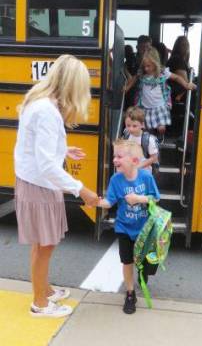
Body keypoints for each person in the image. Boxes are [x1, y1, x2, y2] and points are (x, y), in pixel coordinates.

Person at [14, 54, 99, 318]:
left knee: (41, 244)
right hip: (39, 184)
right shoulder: (47, 112)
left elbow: (38, 147)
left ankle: (45, 290)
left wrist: (63, 148)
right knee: (45, 245)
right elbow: (47, 166)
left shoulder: (38, 101)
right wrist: (81, 189)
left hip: (32, 181)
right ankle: (40, 303)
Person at [97, 139, 160, 314]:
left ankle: (143, 273)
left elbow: (155, 198)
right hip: (124, 227)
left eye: (119, 156)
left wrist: (139, 199)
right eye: (114, 156)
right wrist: (96, 201)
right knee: (127, 261)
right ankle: (130, 294)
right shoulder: (115, 180)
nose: (114, 160)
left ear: (134, 161)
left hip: (144, 228)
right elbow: (110, 202)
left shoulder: (146, 177)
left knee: (145, 262)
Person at [125, 48, 196, 141]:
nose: (146, 68)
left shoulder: (162, 73)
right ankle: (149, 144)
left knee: (161, 128)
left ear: (155, 63)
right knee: (146, 130)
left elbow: (176, 77)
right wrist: (126, 88)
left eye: (148, 66)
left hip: (159, 106)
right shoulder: (142, 73)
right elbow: (134, 79)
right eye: (144, 66)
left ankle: (160, 136)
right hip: (145, 107)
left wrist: (186, 85)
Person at [122, 106, 159, 173]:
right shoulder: (126, 135)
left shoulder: (149, 140)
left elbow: (154, 158)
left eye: (134, 126)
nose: (131, 129)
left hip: (144, 174)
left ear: (142, 125)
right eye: (128, 125)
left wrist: (139, 166)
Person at [167, 35, 191, 103]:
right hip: (177, 96)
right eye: (184, 45)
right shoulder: (178, 60)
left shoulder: (175, 58)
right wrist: (180, 96)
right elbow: (185, 83)